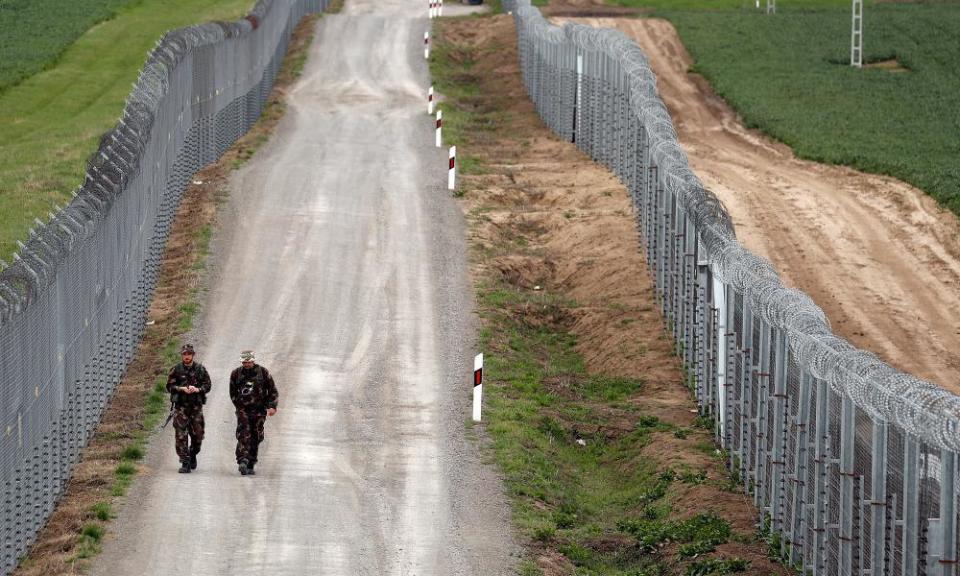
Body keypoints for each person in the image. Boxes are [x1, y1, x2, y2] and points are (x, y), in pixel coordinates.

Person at [229, 350, 278, 476]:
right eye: (244, 362)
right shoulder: (236, 374)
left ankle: (250, 462)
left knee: (256, 436)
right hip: (243, 410)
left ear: (253, 360)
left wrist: (272, 406)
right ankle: (242, 460)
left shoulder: (263, 372)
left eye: (248, 361)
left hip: (259, 410)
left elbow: (272, 390)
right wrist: (239, 406)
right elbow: (233, 392)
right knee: (244, 433)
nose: (246, 364)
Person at [166, 344, 212, 473]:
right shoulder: (176, 369)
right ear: (182, 355)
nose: (186, 356)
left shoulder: (200, 369)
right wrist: (181, 389)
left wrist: (197, 389)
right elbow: (169, 386)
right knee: (181, 435)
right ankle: (184, 461)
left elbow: (208, 385)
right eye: (184, 354)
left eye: (189, 354)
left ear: (193, 355)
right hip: (181, 407)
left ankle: (192, 454)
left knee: (198, 435)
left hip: (196, 408)